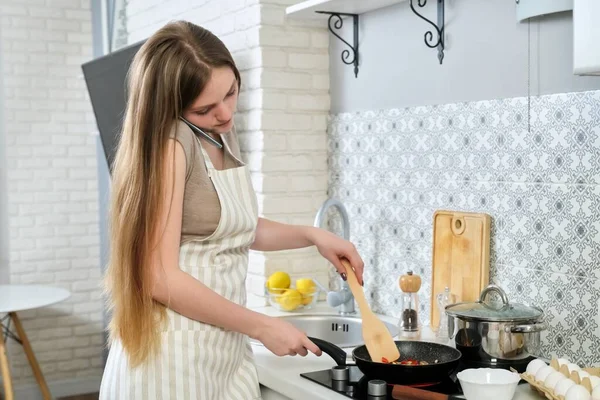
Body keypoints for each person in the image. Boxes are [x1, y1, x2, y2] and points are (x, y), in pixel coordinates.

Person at [98, 20, 365, 400]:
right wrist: (260, 325)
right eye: (205, 108)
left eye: (231, 92)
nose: (225, 114)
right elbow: (159, 276)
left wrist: (312, 235)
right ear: (172, 107)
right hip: (173, 354)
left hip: (221, 347)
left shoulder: (216, 133)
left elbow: (235, 227)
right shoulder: (173, 143)